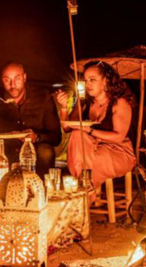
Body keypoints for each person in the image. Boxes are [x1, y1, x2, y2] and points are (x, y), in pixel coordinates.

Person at [0, 61, 61, 176]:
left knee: (46, 151)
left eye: (17, 79)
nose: (12, 85)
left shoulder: (43, 97)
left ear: (24, 77)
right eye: (7, 80)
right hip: (3, 150)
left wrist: (36, 137)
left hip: (32, 151)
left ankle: (43, 190)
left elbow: (56, 137)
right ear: (2, 80)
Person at [55, 60, 137, 189]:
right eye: (86, 80)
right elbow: (66, 128)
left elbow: (118, 137)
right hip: (92, 150)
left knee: (88, 163)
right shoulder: (84, 103)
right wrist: (64, 107)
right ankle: (86, 187)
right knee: (77, 135)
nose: (88, 84)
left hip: (118, 151)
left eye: (92, 80)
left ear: (106, 81)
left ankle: (83, 191)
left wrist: (90, 131)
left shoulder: (119, 102)